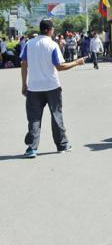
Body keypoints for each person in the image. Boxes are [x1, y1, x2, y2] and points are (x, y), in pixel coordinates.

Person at [19, 19, 85, 158]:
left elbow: (24, 63)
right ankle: (62, 145)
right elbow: (60, 66)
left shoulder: (29, 44)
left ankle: (32, 148)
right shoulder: (52, 45)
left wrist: (24, 84)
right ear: (50, 30)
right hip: (52, 87)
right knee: (56, 115)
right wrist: (77, 62)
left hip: (34, 87)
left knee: (34, 118)